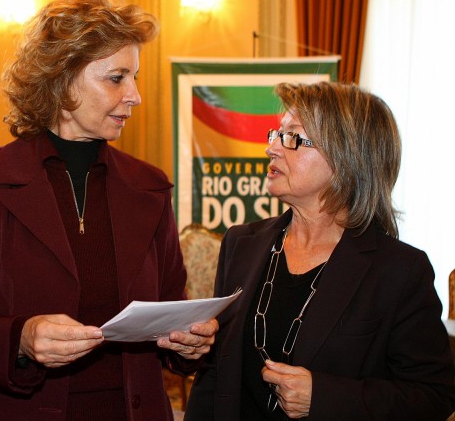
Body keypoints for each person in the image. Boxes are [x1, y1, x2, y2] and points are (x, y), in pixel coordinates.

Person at [0, 0, 218, 421]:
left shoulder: (149, 187)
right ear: (61, 79)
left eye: (134, 77)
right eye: (116, 78)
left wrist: (190, 344)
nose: (135, 95)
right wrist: (20, 338)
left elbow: (171, 310)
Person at [185, 81, 455, 420]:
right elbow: (215, 377)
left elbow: (433, 396)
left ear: (346, 158)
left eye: (293, 138)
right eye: (276, 133)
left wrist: (325, 397)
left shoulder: (399, 270)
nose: (272, 148)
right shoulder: (241, 243)